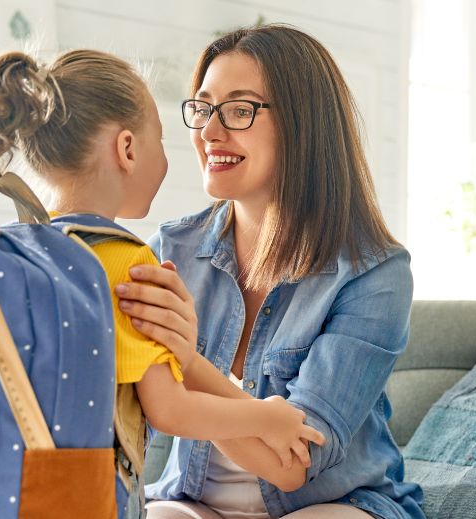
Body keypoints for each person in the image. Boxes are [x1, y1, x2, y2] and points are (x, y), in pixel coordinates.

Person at [0, 48, 324, 515]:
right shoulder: (125, 261)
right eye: (159, 140)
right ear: (127, 149)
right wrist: (266, 414)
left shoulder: (20, 248)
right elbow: (170, 409)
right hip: (84, 498)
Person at [113, 26, 427, 519]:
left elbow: (294, 464)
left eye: (240, 110)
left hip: (332, 505)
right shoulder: (170, 250)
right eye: (203, 108)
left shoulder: (375, 274)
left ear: (305, 125)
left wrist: (188, 363)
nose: (210, 133)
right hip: (191, 503)